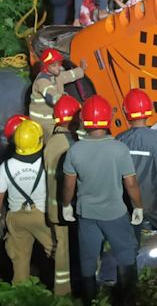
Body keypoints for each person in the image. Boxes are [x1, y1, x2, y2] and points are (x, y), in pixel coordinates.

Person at [62, 95, 143, 306]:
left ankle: (90, 300)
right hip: (114, 213)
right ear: (108, 120)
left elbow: (69, 185)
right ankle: (127, 300)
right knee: (125, 255)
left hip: (86, 214)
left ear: (83, 120)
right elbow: (131, 184)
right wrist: (138, 207)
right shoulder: (119, 149)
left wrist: (65, 206)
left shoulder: (75, 150)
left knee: (88, 259)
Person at [116, 89, 157, 267]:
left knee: (131, 239)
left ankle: (129, 279)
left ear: (127, 112)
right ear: (148, 111)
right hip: (155, 196)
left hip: (128, 199)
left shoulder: (120, 139)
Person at [0, 120, 64, 290]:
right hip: (42, 216)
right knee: (59, 251)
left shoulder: (5, 167)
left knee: (19, 259)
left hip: (16, 218)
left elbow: (0, 197)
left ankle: (20, 295)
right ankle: (61, 287)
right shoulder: (46, 162)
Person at [43, 95, 81, 295]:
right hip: (66, 207)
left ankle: (62, 290)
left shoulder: (50, 142)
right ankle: (66, 292)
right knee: (67, 251)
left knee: (61, 249)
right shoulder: (69, 144)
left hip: (52, 207)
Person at [29, 48, 85, 143]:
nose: (58, 67)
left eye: (59, 63)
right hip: (44, 123)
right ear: (46, 67)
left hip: (56, 118)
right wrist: (65, 100)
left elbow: (68, 75)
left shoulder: (56, 75)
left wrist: (81, 70)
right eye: (54, 65)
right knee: (56, 142)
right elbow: (51, 95)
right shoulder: (42, 81)